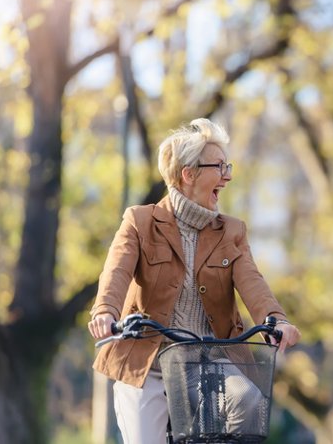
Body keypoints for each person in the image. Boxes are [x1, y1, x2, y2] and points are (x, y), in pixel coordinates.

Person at [88, 118, 301, 444]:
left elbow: (253, 283)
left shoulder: (232, 231)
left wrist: (277, 320)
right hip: (150, 364)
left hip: (210, 363)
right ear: (189, 174)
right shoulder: (140, 222)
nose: (228, 175)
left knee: (249, 399)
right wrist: (105, 312)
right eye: (219, 166)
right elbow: (116, 272)